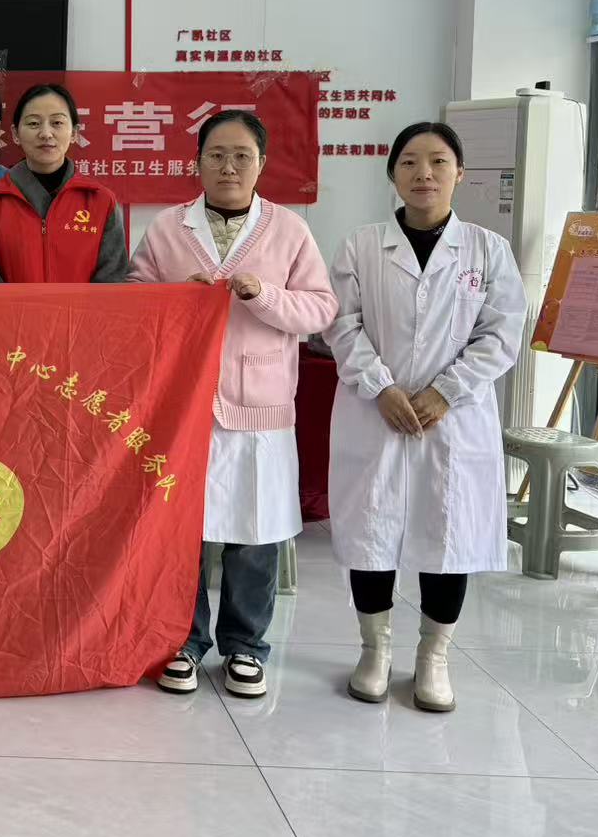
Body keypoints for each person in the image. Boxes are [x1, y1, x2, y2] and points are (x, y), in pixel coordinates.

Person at [129, 110, 338, 699]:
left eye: (241, 156)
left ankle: (246, 645)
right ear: (197, 162)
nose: (228, 167)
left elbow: (321, 308)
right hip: (185, 403)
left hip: (259, 406)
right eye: (216, 155)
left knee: (256, 529)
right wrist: (177, 298)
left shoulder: (288, 230)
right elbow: (135, 296)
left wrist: (263, 294)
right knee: (184, 531)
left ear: (261, 164)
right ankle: (184, 640)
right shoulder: (168, 227)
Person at [326, 121, 525, 712]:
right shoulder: (362, 245)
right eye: (410, 162)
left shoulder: (488, 250)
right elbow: (342, 324)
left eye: (438, 162)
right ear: (392, 173)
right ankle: (375, 650)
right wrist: (381, 387)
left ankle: (434, 657)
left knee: (448, 532)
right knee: (372, 532)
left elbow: (501, 335)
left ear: (460, 173)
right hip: (375, 412)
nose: (424, 174)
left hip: (453, 419)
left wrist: (446, 391)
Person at [0, 82, 129, 283]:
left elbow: (112, 284)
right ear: (16, 134)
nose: (46, 133)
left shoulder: (101, 202)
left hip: (84, 307)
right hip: (10, 307)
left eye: (57, 123)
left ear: (74, 133)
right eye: (33, 123)